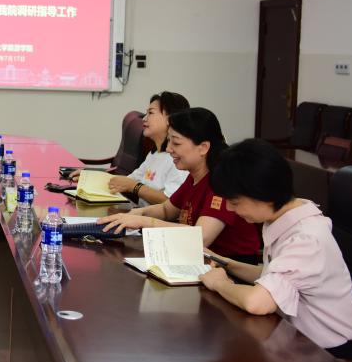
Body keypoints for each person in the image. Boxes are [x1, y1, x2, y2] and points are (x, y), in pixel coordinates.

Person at [199, 138, 352, 359]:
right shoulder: (284, 215)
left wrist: (219, 283)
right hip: (296, 340)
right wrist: (224, 262)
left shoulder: (305, 239)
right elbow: (270, 274)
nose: (229, 208)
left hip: (332, 355)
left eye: (235, 201)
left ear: (262, 193)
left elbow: (257, 303)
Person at [98, 107, 262, 263]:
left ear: (203, 147)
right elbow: (166, 210)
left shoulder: (222, 181)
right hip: (197, 259)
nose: (169, 149)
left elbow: (201, 237)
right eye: (169, 141)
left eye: (176, 143)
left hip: (229, 267)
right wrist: (136, 214)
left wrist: (144, 222)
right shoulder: (194, 176)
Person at [98, 91, 191, 204]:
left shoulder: (178, 160)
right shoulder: (154, 154)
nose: (144, 119)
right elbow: (128, 181)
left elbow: (171, 201)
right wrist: (90, 178)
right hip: (140, 213)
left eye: (150, 113)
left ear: (170, 118)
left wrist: (134, 186)